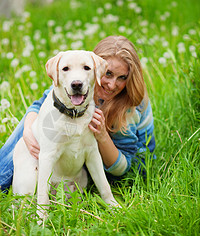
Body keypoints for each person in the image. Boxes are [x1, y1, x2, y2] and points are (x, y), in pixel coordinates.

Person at [0, 35, 155, 192]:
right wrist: (27, 131)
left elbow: (123, 168)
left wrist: (102, 135)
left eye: (122, 78)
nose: (112, 84)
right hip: (78, 157)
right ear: (97, 69)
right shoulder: (80, 82)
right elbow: (40, 105)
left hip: (125, 170)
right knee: (42, 122)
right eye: (108, 74)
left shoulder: (131, 104)